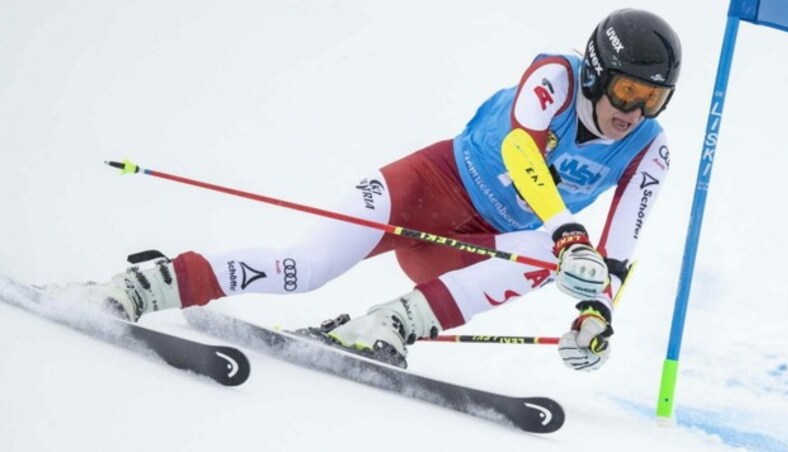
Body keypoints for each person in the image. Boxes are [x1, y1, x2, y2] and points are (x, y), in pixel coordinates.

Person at [97, 8, 681, 371]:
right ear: (598, 73)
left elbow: (616, 255)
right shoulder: (554, 74)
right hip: (425, 188)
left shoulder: (649, 150)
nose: (634, 111)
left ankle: (386, 326)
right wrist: (569, 235)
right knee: (305, 268)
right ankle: (148, 286)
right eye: (629, 91)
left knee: (551, 260)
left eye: (653, 99)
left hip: (473, 246)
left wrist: (596, 313)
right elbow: (519, 150)